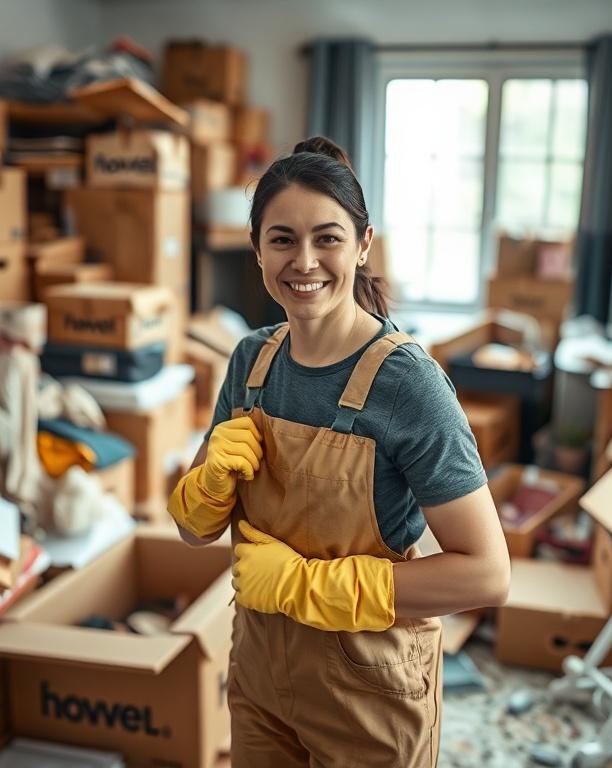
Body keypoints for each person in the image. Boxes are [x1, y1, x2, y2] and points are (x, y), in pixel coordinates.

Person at [168, 136, 510, 767]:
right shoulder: (251, 362)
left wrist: (306, 586)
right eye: (282, 239)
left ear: (363, 244)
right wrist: (208, 482)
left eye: (327, 238)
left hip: (368, 694)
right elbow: (194, 534)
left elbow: (486, 573)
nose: (304, 261)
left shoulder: (408, 383)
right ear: (257, 248)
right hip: (261, 679)